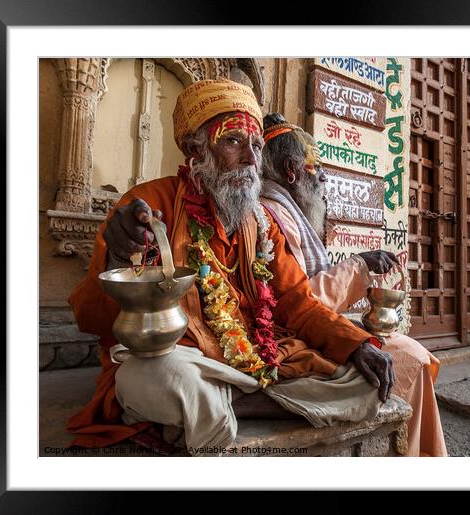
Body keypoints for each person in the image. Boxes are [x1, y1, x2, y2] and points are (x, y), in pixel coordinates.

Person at [66, 79, 397, 456]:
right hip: (188, 359)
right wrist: (120, 258)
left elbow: (297, 303)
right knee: (154, 376)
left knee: (366, 379)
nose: (252, 160)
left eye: (256, 146)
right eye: (234, 142)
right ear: (196, 149)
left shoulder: (261, 222)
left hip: (260, 358)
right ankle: (242, 402)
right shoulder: (147, 205)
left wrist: (354, 344)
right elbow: (92, 318)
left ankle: (226, 407)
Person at [259, 113, 448, 457]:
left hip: (307, 330)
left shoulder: (285, 212)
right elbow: (301, 301)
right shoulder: (273, 215)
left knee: (409, 352)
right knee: (412, 358)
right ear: (291, 170)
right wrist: (358, 265)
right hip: (290, 341)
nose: (324, 177)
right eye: (315, 166)